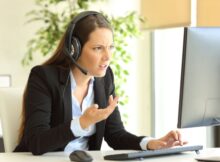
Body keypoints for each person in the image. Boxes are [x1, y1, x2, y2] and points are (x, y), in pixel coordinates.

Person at [14, 11, 186, 155]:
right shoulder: (44, 77)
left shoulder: (104, 79)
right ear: (75, 49)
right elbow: (36, 143)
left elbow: (116, 135)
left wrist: (151, 144)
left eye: (110, 47)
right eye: (98, 48)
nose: (108, 57)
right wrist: (81, 123)